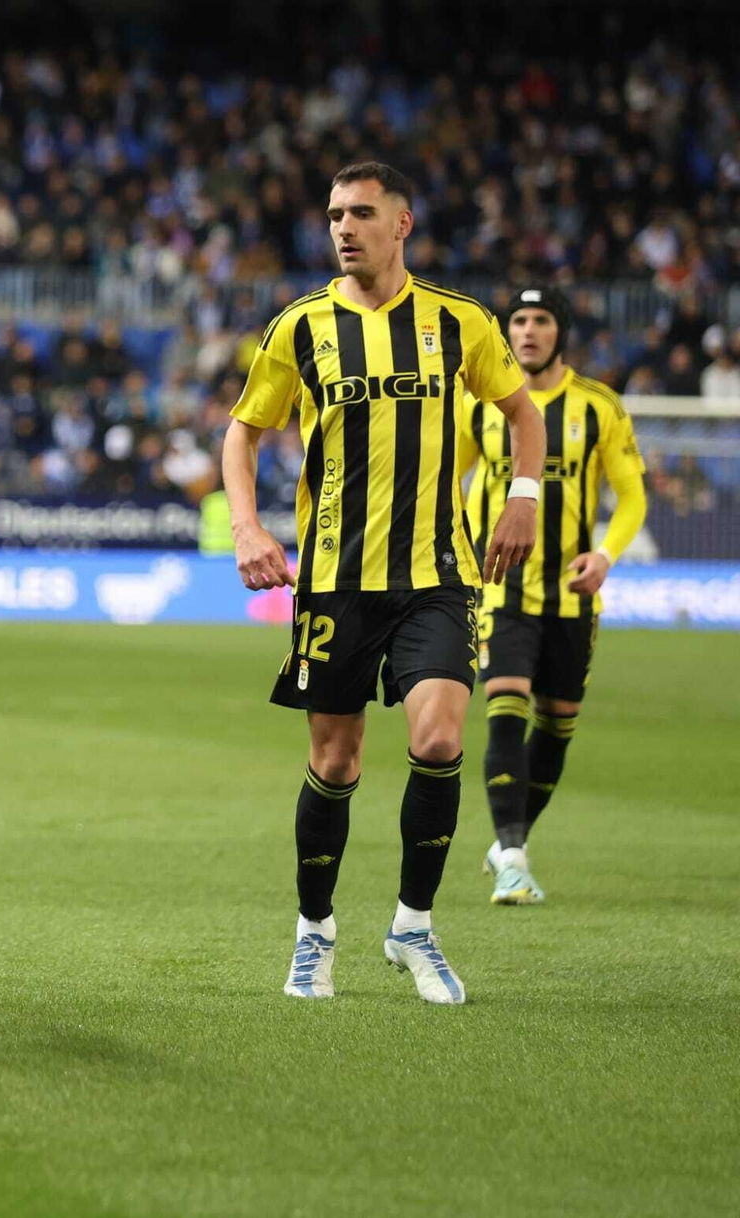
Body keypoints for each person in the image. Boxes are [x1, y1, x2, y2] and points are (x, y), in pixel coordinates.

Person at [222, 162, 545, 1005]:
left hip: (439, 575)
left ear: (403, 223)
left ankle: (413, 927)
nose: (343, 227)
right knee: (335, 759)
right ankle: (314, 932)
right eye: (334, 214)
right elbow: (242, 434)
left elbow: (523, 412)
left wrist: (523, 498)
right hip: (333, 582)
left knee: (438, 740)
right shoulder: (300, 327)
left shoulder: (458, 321)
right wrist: (247, 526)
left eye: (362, 212)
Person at [459, 286, 646, 904]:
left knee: (557, 725)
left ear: (559, 332)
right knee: (504, 709)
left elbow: (631, 495)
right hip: (501, 590)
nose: (529, 331)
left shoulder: (599, 407)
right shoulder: (481, 403)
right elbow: (447, 475)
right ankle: (513, 857)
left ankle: (508, 842)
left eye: (541, 320)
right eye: (519, 320)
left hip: (572, 595)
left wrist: (606, 555)